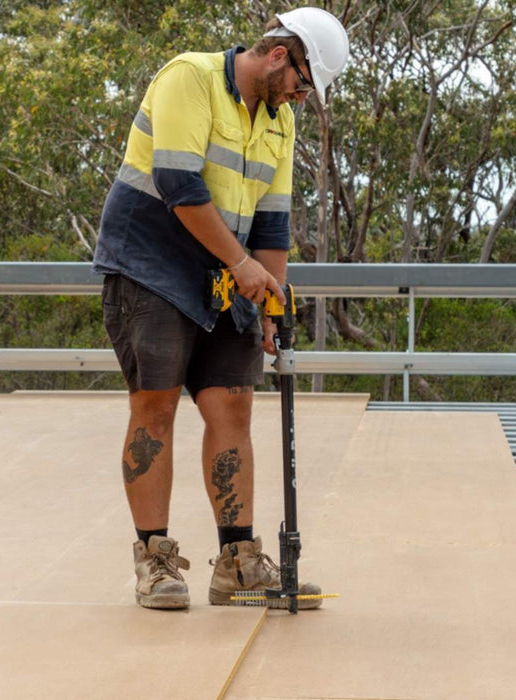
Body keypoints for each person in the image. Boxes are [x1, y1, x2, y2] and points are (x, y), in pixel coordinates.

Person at [92, 7, 350, 610]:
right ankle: (154, 561)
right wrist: (243, 267)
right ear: (281, 54)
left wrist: (269, 306)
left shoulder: (280, 123)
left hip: (225, 272)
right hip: (150, 264)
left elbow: (273, 223)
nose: (301, 97)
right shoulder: (190, 78)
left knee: (233, 407)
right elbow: (180, 187)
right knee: (155, 406)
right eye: (303, 83)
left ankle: (238, 563)